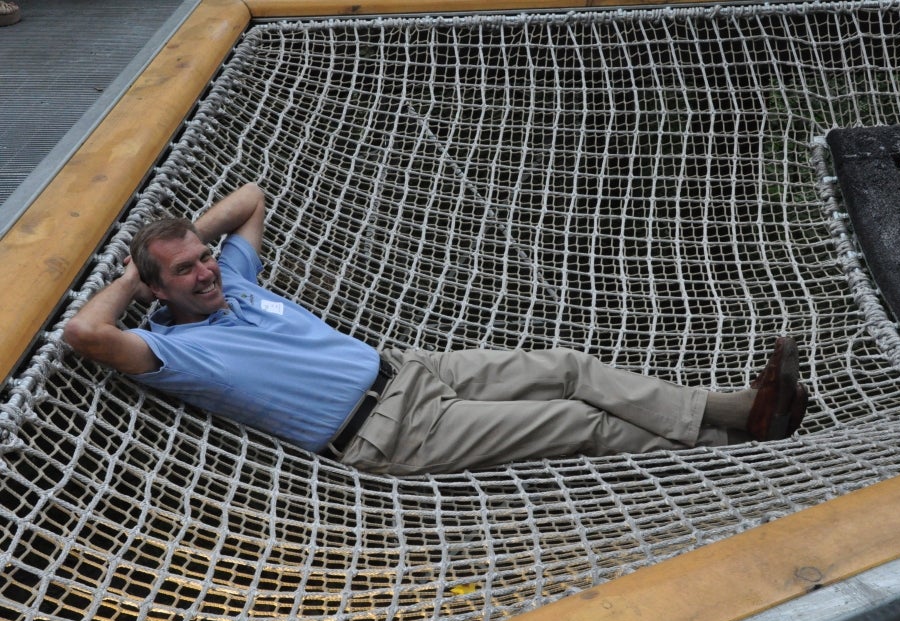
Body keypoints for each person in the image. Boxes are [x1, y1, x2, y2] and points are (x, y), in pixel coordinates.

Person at [64, 183, 809, 475]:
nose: (206, 271)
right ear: (156, 290)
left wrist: (184, 245)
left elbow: (252, 199)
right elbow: (85, 335)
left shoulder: (236, 283)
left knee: (567, 364)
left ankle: (742, 410)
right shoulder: (174, 350)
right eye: (187, 271)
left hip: (415, 369)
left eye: (205, 258)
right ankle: (739, 452)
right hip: (389, 434)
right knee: (576, 419)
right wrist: (133, 273)